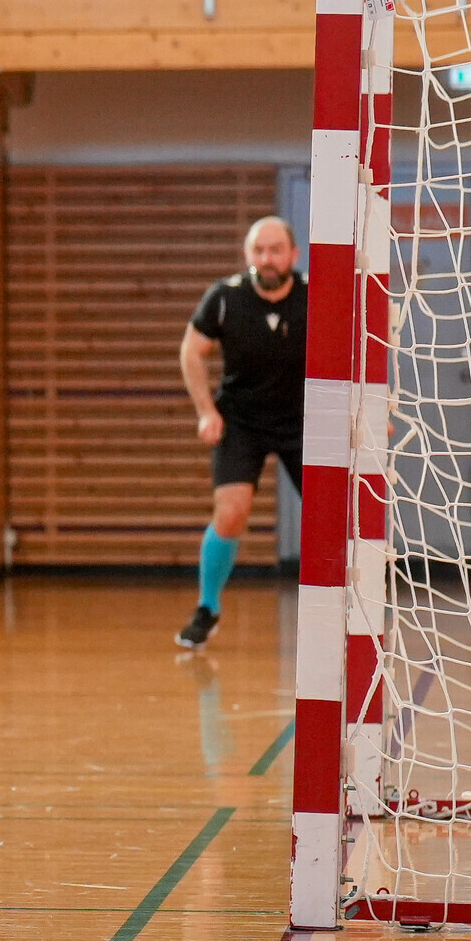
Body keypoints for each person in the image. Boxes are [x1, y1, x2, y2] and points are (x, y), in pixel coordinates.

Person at [177, 216, 306, 650]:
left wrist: (373, 408)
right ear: (247, 254)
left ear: (293, 255)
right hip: (242, 422)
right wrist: (205, 412)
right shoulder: (225, 297)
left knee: (332, 516)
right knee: (231, 512)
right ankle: (207, 608)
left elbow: (357, 348)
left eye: (275, 250)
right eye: (258, 250)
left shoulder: (316, 296)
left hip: (302, 422)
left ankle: (352, 608)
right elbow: (191, 351)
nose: (267, 259)